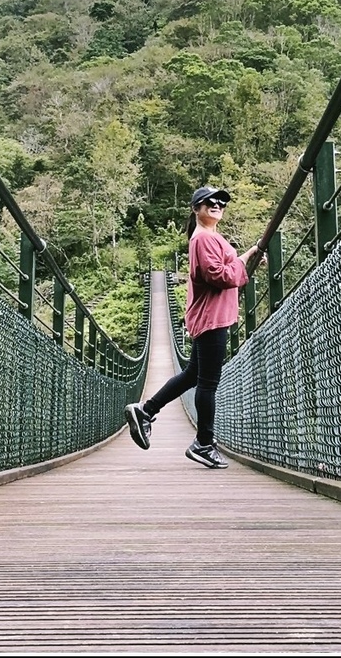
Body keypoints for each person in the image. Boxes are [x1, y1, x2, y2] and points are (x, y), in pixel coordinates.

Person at [124, 185, 265, 469]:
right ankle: (203, 443)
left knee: (193, 375)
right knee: (208, 383)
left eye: (221, 202)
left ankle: (146, 411)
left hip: (209, 316)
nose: (217, 205)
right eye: (209, 201)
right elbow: (218, 276)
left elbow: (225, 274)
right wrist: (244, 258)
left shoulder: (208, 237)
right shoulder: (202, 239)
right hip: (212, 318)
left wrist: (245, 263)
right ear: (196, 208)